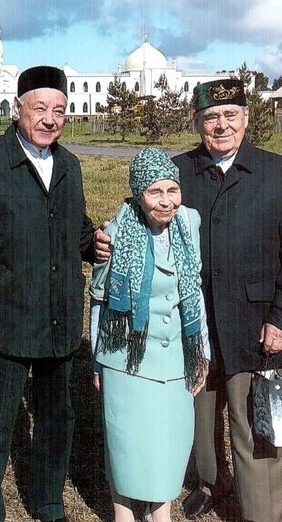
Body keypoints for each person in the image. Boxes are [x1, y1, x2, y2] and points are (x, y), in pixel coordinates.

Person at [95, 78, 282, 522]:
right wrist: (102, 240)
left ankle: (262, 514)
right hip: (192, 327)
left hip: (255, 325)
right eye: (211, 117)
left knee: (255, 427)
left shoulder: (276, 171)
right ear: (197, 122)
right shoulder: (180, 171)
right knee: (199, 422)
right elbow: (137, 212)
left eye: (230, 115)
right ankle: (212, 485)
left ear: (246, 118)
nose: (221, 125)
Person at [0, 65, 96, 522]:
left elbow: (73, 226)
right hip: (6, 315)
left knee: (57, 417)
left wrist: (94, 242)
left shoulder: (69, 165)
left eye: (59, 110)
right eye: (39, 109)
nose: (49, 120)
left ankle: (48, 501)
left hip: (58, 314)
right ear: (17, 109)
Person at [90, 147, 210, 522]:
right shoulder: (115, 233)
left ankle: (161, 514)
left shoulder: (189, 224)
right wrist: (97, 361)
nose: (166, 201)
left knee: (169, 442)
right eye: (155, 192)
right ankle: (124, 514)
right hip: (125, 358)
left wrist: (202, 352)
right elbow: (99, 299)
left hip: (176, 358)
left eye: (172, 190)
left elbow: (195, 293)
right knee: (126, 442)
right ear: (139, 194)